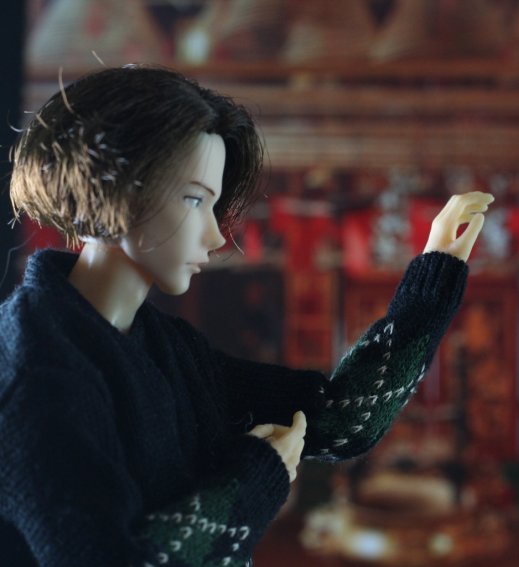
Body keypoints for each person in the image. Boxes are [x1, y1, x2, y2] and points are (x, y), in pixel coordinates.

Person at [0, 65, 493, 567]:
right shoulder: (36, 376)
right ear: (115, 187)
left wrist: (434, 275)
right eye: (194, 199)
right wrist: (252, 480)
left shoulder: (164, 346)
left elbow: (341, 419)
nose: (215, 236)